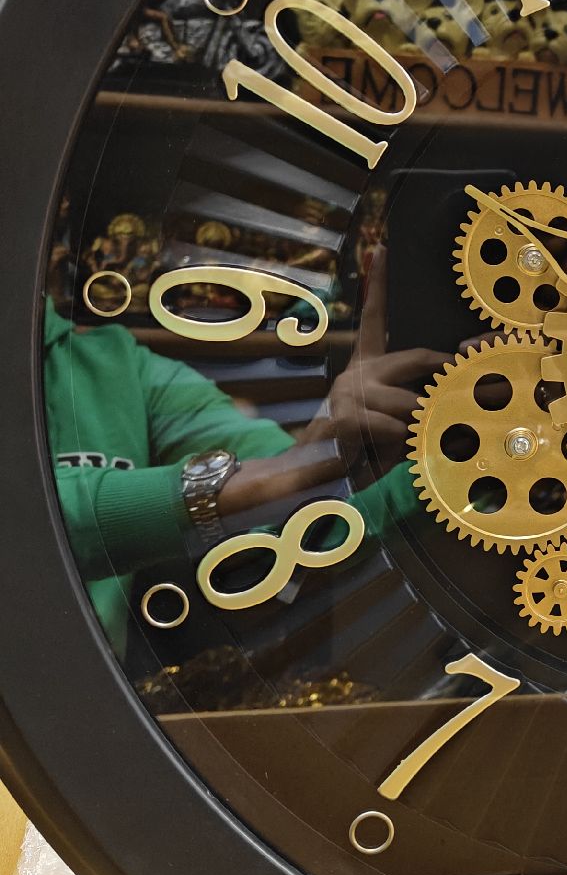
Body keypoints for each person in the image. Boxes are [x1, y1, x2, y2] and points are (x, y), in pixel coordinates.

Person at [47, 258, 440, 654]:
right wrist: (282, 475)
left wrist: (454, 458)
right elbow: (31, 516)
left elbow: (309, 517)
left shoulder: (117, 364)